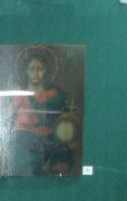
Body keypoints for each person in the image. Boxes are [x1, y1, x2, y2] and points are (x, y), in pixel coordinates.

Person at [9, 48, 77, 176]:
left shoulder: (54, 94)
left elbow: (63, 117)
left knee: (62, 154)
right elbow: (8, 116)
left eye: (39, 69)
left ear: (45, 71)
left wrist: (65, 122)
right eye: (32, 69)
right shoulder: (20, 94)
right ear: (26, 71)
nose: (35, 73)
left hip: (49, 139)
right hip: (24, 140)